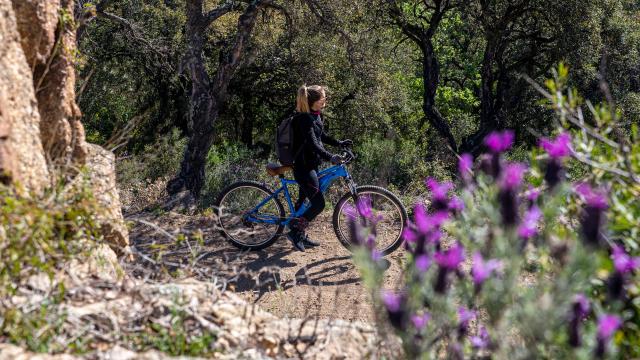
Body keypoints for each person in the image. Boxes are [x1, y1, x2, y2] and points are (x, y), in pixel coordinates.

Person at [287, 84, 352, 251]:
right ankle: (295, 232)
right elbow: (313, 143)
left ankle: (299, 233)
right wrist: (331, 157)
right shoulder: (303, 119)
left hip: (311, 165)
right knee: (318, 204)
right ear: (314, 101)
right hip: (303, 168)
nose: (325, 100)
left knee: (303, 202)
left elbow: (320, 135)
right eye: (323, 97)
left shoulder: (315, 116)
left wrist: (338, 143)